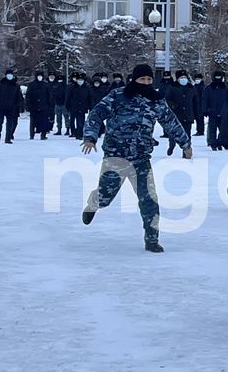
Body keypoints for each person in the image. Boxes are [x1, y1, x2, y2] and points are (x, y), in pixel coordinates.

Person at [81, 64, 192, 253]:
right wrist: (90, 137)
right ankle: (93, 203)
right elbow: (96, 114)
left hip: (141, 158)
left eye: (149, 80)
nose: (146, 83)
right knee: (105, 197)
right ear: (134, 80)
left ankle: (151, 239)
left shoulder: (156, 101)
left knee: (149, 199)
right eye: (142, 79)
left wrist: (185, 144)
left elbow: (171, 122)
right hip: (116, 157)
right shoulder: (118, 96)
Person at [164, 69, 195, 156]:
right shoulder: (172, 87)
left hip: (188, 115)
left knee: (187, 134)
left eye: (185, 77)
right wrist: (174, 106)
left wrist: (196, 114)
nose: (183, 79)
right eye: (181, 77)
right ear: (177, 79)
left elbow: (195, 101)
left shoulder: (191, 87)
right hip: (176, 114)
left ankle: (186, 152)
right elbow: (167, 99)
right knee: (173, 133)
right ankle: (171, 145)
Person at [0, 68, 24, 144]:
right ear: (6, 75)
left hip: (11, 107)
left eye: (11, 75)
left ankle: (8, 138)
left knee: (10, 123)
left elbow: (19, 97)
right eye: (8, 74)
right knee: (0, 122)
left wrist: (20, 105)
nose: (9, 76)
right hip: (1, 106)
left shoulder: (15, 86)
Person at [202, 70, 228, 151]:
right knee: (212, 129)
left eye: (219, 77)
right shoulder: (208, 89)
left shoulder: (226, 89)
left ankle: (219, 142)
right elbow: (204, 100)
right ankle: (213, 143)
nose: (218, 79)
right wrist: (205, 110)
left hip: (223, 113)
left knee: (223, 129)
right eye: (216, 77)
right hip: (212, 113)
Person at [26, 70, 53, 140]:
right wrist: (28, 106)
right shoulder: (31, 85)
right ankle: (32, 135)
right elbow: (28, 96)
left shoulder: (46, 85)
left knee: (44, 121)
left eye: (41, 76)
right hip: (33, 106)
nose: (39, 77)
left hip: (44, 106)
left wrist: (49, 106)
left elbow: (49, 96)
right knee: (32, 121)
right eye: (38, 76)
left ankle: (43, 135)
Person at [65, 72, 91, 140]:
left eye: (81, 80)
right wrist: (67, 106)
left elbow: (89, 98)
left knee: (81, 122)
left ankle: (80, 134)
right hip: (73, 107)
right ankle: (74, 132)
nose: (80, 81)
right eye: (79, 80)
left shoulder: (87, 88)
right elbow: (68, 97)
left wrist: (89, 106)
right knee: (73, 120)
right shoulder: (72, 87)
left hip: (83, 107)